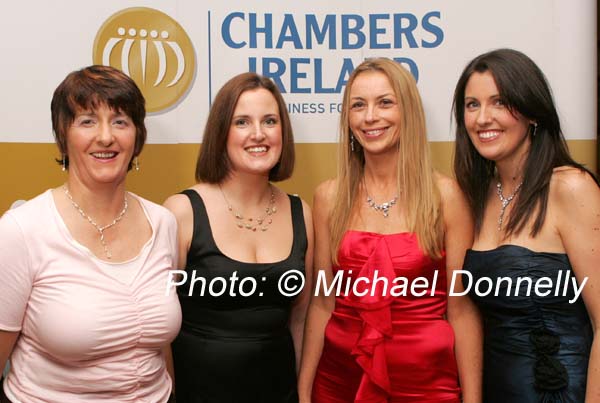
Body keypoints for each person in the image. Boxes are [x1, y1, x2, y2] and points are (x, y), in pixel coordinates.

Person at [298, 58, 482, 403]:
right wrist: (304, 391)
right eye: (358, 105)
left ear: (408, 111)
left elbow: (461, 310)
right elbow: (322, 302)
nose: (370, 117)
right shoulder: (328, 197)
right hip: (340, 382)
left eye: (385, 102)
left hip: (427, 386)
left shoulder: (446, 197)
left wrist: (473, 398)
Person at [0, 65, 181, 402]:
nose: (106, 136)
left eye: (120, 121)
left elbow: (160, 348)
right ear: (62, 137)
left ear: (138, 137)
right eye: (87, 121)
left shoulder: (164, 223)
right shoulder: (21, 230)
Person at [453, 48, 600, 402]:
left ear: (533, 112)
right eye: (472, 105)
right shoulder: (475, 196)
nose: (483, 118)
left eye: (500, 102)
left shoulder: (570, 187)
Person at [164, 72, 313, 403]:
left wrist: (303, 395)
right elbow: (158, 324)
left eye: (270, 121)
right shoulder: (183, 211)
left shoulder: (300, 212)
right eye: (242, 122)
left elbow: (302, 318)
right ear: (221, 132)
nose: (258, 134)